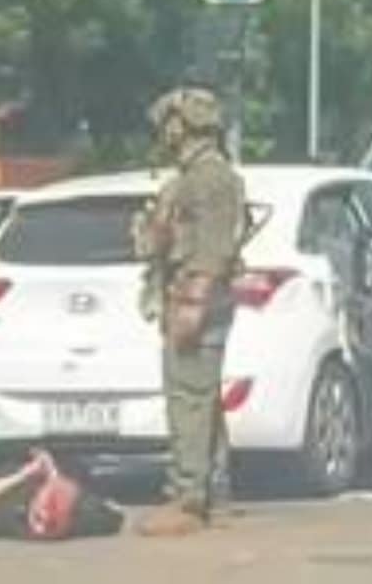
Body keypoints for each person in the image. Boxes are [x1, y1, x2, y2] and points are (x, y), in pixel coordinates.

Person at [133, 87, 246, 537]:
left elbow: (214, 250)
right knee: (201, 397)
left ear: (183, 125)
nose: (165, 133)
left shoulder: (210, 178)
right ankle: (214, 494)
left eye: (169, 124)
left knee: (188, 399)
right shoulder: (193, 178)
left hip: (196, 298)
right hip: (188, 294)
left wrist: (193, 304)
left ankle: (188, 497)